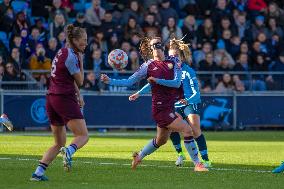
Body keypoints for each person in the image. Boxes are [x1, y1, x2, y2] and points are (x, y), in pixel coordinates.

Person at [101, 37, 208, 171]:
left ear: (162, 47)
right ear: (150, 50)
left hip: (169, 106)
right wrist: (110, 81)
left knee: (161, 140)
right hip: (160, 108)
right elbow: (129, 81)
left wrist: (157, 80)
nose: (155, 48)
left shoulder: (174, 61)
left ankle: (139, 156)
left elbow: (176, 83)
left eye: (157, 45)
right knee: (187, 130)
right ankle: (198, 164)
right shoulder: (148, 65)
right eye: (152, 46)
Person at [130, 37, 212, 168]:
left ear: (182, 56)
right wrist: (139, 92)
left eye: (176, 56)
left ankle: (205, 161)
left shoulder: (188, 71)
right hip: (173, 104)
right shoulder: (168, 67)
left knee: (193, 130)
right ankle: (183, 156)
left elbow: (196, 91)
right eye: (172, 55)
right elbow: (154, 83)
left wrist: (188, 99)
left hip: (189, 103)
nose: (173, 58)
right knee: (174, 133)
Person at [30, 24, 89, 181]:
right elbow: (81, 80)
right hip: (63, 97)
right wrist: (82, 62)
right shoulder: (72, 56)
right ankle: (69, 151)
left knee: (59, 143)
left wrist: (79, 95)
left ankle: (38, 173)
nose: (86, 43)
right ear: (75, 40)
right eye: (84, 40)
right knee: (83, 136)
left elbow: (68, 77)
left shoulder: (62, 51)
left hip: (51, 98)